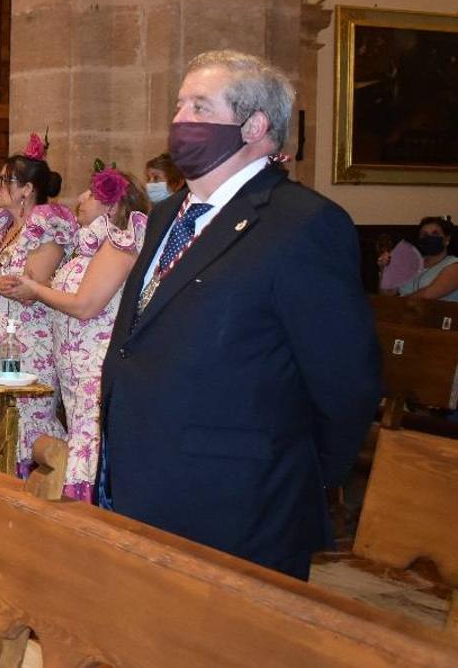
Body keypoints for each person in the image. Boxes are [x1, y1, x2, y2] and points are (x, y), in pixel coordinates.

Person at [99, 50, 380, 579]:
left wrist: (289, 472)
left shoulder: (301, 224)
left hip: (239, 504)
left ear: (254, 126)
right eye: (180, 105)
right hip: (140, 478)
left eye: (201, 108)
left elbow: (345, 382)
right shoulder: (166, 216)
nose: (181, 120)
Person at [0, 167, 148, 502]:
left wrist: (35, 289)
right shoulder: (88, 247)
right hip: (72, 374)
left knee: (91, 451)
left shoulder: (118, 245)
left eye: (92, 194)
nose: (81, 198)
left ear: (112, 206)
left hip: (94, 370)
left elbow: (85, 306)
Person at [0, 135, 76, 476]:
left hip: (29, 343)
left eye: (5, 180)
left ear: (26, 189)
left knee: (26, 424)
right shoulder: (6, 228)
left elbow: (28, 287)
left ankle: (29, 504)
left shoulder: (48, 228)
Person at [396, 216, 457, 300]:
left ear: (447, 239)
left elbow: (427, 295)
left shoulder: (455, 266)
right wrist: (386, 268)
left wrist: (398, 305)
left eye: (435, 233)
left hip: (441, 312)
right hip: (402, 311)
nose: (429, 238)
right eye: (425, 235)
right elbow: (387, 293)